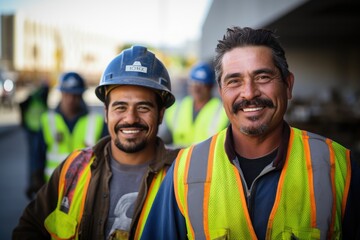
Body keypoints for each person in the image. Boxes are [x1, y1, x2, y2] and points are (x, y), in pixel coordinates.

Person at [140, 27, 360, 239]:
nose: (249, 93)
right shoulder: (184, 172)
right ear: (222, 92)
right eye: (234, 81)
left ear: (288, 85)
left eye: (263, 77)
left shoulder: (339, 167)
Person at [13, 45, 180, 240]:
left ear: (160, 114)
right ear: (106, 113)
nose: (130, 118)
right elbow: (29, 227)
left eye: (143, 107)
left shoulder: (181, 175)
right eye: (120, 107)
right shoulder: (73, 168)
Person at [26, 71, 109, 197]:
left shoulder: (96, 121)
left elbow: (106, 158)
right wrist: (35, 179)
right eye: (67, 94)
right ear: (61, 93)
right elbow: (37, 155)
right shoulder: (47, 120)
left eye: (75, 95)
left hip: (85, 191)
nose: (71, 99)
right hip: (53, 188)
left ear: (82, 95)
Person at [158, 62, 228, 147]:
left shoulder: (222, 111)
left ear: (211, 87)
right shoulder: (177, 108)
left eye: (202, 84)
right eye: (193, 83)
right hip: (181, 158)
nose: (196, 88)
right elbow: (165, 138)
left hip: (208, 159)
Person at [19, 81, 49, 200]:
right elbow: (21, 105)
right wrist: (23, 121)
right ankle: (32, 182)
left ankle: (33, 182)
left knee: (35, 157)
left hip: (37, 129)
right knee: (33, 157)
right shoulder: (36, 97)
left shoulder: (41, 97)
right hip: (32, 130)